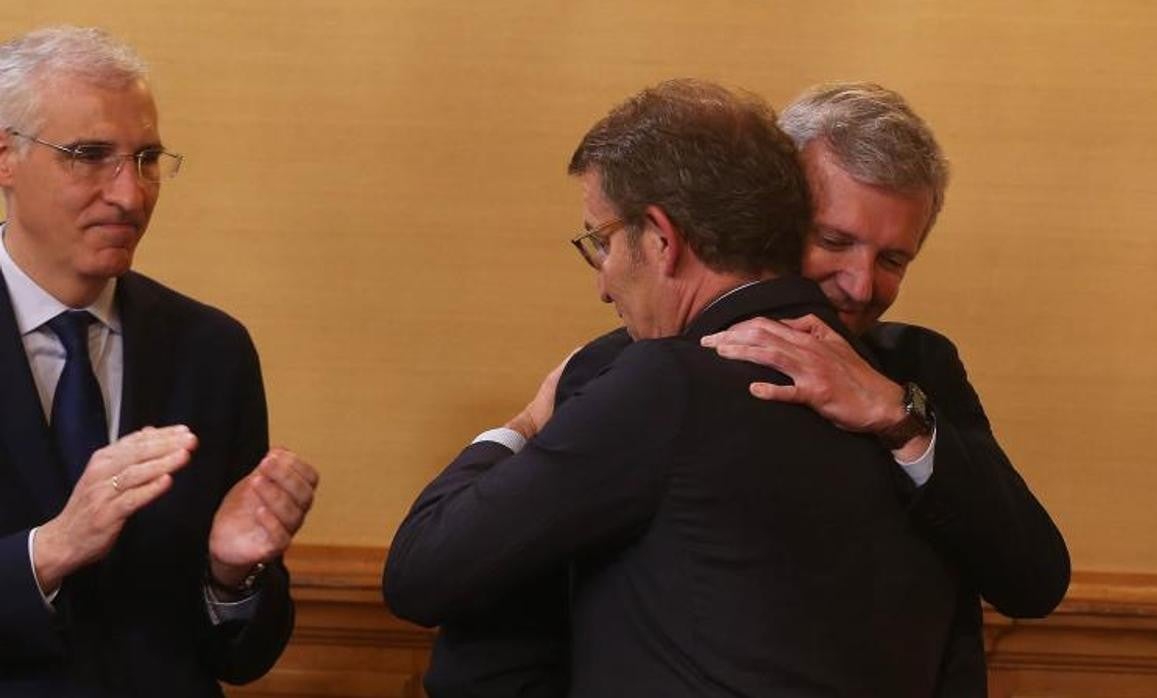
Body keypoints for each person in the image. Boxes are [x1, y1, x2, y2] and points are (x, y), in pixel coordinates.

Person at [420, 83, 1070, 697]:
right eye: (833, 241)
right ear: (773, 214)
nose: (859, 284)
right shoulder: (632, 366)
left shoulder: (918, 370)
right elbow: (493, 610)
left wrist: (898, 415)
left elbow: (1034, 579)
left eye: (892, 259)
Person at [0, 26, 318, 696]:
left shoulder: (213, 350)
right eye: (90, 155)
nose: (131, 195)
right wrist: (51, 550)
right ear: (6, 159)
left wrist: (231, 575)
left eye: (146, 159)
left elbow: (242, 657)